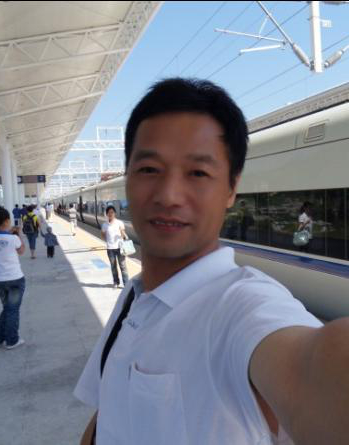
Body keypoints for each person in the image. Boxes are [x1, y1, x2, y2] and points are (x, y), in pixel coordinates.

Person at [75, 78, 349, 445]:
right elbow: (107, 413)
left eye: (198, 173)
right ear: (127, 180)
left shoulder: (242, 307)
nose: (169, 195)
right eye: (149, 169)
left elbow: (315, 372)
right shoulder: (133, 298)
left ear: (232, 189)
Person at [0, 207, 25, 350]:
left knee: (7, 308)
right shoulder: (13, 238)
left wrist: (10, 233)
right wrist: (18, 234)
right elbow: (21, 251)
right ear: (7, 221)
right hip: (15, 279)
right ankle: (12, 340)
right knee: (12, 310)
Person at [101, 205, 129, 288]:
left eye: (112, 212)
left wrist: (121, 233)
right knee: (113, 267)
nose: (111, 214)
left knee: (123, 266)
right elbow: (103, 235)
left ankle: (126, 284)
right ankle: (116, 282)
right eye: (109, 212)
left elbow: (123, 235)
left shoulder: (120, 223)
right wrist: (107, 240)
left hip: (120, 248)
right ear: (106, 214)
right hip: (110, 249)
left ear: (115, 213)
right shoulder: (105, 225)